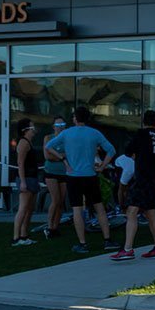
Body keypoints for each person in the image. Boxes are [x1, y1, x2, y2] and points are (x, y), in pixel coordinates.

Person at [45, 106, 116, 254]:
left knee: (77, 209)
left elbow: (48, 146)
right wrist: (102, 166)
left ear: (75, 118)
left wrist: (62, 158)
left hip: (73, 177)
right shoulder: (94, 133)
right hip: (90, 176)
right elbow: (111, 150)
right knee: (99, 208)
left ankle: (82, 244)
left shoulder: (67, 133)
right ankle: (107, 240)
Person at [111, 110, 155, 261]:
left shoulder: (141, 134)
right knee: (150, 213)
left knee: (131, 212)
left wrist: (137, 156)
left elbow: (128, 151)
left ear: (143, 121)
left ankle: (127, 249)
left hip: (143, 178)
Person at [11, 118, 40, 247]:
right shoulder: (23, 143)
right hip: (26, 179)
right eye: (32, 128)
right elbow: (20, 163)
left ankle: (24, 235)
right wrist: (23, 182)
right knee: (23, 209)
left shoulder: (29, 142)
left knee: (29, 209)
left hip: (32, 178)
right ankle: (16, 237)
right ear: (25, 130)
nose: (34, 130)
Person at [41, 116, 68, 239]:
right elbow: (47, 156)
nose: (60, 127)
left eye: (62, 125)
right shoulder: (48, 138)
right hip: (51, 172)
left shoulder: (67, 139)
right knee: (55, 199)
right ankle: (49, 226)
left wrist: (58, 155)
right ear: (53, 127)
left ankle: (55, 227)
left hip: (64, 173)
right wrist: (62, 157)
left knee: (61, 201)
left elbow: (70, 155)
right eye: (58, 125)